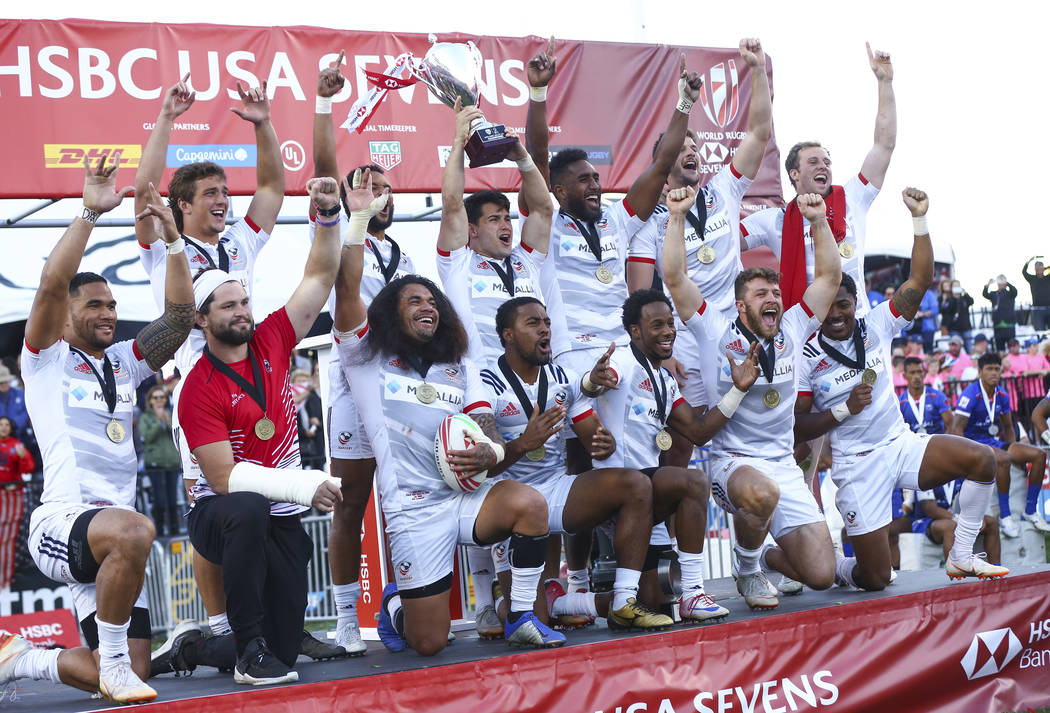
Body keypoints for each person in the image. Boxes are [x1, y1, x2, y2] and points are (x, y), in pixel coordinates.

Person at [333, 174, 565, 654]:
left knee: (531, 504)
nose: (428, 306)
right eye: (413, 300)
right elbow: (347, 288)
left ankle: (520, 611)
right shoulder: (365, 360)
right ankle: (397, 606)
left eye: (432, 300)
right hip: (413, 512)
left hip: (462, 501)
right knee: (430, 643)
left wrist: (491, 449)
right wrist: (356, 219)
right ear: (388, 314)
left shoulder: (457, 365)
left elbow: (485, 426)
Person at [2, 158, 194, 703]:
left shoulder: (126, 364)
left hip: (113, 545)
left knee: (139, 672)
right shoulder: (45, 360)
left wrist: (175, 242)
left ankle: (22, 659)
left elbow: (180, 320)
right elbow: (50, 283)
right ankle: (110, 662)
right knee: (135, 531)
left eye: (112, 304)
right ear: (64, 314)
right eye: (94, 304)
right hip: (63, 522)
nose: (108, 312)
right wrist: (89, 210)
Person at [133, 73, 305, 660]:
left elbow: (276, 189)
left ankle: (286, 618)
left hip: (254, 381)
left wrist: (263, 123)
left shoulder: (241, 243)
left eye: (222, 190)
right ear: (180, 204)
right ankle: (219, 623)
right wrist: (165, 119)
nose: (221, 199)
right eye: (208, 192)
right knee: (216, 503)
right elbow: (141, 194)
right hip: (197, 390)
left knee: (273, 506)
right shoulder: (162, 245)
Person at [174, 175, 349, 686]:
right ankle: (247, 650)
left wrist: (329, 217)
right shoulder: (197, 387)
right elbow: (226, 481)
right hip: (219, 515)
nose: (242, 312)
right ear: (202, 322)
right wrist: (301, 485)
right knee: (247, 507)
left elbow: (319, 276)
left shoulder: (272, 337)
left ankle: (196, 649)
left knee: (288, 647)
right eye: (228, 307)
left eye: (244, 302)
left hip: (280, 512)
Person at [794, 188, 1008, 589]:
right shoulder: (806, 356)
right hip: (857, 466)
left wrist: (920, 219)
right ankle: (838, 567)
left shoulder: (875, 325)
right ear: (817, 306)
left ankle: (962, 555)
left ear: (856, 305)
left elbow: (920, 279)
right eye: (829, 306)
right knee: (874, 578)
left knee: (982, 461)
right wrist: (842, 411)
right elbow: (798, 426)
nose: (837, 314)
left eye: (845, 305)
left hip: (899, 444)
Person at [660, 185, 840, 608]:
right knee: (761, 494)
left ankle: (769, 556)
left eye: (775, 294)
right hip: (734, 465)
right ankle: (746, 570)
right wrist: (677, 218)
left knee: (821, 575)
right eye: (761, 295)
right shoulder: (715, 331)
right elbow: (675, 278)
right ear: (741, 308)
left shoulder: (793, 326)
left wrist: (818, 222)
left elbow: (830, 278)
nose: (773, 299)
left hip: (782, 467)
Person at [481, 296, 696, 631]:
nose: (545, 330)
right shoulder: (485, 381)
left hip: (554, 491)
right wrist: (523, 443)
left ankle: (623, 600)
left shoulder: (560, 376)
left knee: (635, 482)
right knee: (528, 621)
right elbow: (485, 468)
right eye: (533, 323)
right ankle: (505, 596)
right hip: (506, 500)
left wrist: (601, 440)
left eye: (547, 322)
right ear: (508, 335)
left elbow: (592, 436)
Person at [558, 288, 760, 624]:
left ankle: (567, 606)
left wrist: (738, 391)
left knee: (653, 601)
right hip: (613, 490)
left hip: (643, 501)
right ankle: (694, 592)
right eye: (656, 325)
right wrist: (592, 385)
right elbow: (591, 385)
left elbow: (698, 431)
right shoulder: (622, 360)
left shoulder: (664, 381)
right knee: (693, 480)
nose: (667, 331)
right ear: (635, 332)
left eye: (670, 323)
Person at [435, 93, 555, 635]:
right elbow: (452, 205)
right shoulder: (459, 263)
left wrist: (521, 156)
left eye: (508, 216)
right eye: (495, 218)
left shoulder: (528, 260)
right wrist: (460, 140)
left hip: (531, 387)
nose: (506, 224)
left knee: (536, 483)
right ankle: (488, 600)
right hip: (475, 390)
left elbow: (545, 208)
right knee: (484, 482)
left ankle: (548, 593)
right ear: (474, 229)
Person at [311, 54, 415, 656]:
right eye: (369, 185)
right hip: (352, 377)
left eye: (387, 186)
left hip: (401, 381)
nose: (380, 193)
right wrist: (324, 104)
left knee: (410, 489)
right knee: (350, 499)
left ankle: (404, 596)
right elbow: (328, 171)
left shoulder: (405, 250)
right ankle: (348, 619)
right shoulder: (335, 231)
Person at [626, 38, 772, 466]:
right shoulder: (648, 225)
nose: (691, 154)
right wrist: (661, 355)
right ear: (664, 162)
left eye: (695, 149)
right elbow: (638, 300)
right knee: (680, 444)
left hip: (738, 331)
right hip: (685, 343)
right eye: (680, 150)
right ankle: (672, 532)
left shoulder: (724, 190)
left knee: (759, 426)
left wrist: (757, 70)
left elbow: (759, 132)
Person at [741, 43, 895, 318]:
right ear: (794, 174)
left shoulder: (852, 199)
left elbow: (883, 146)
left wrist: (885, 83)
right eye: (813, 162)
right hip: (806, 335)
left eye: (826, 162)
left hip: (855, 326)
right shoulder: (774, 220)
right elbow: (723, 239)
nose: (823, 166)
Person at [951, 352, 1050, 537]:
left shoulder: (1002, 394)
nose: (994, 373)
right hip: (973, 446)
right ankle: (1005, 516)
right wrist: (965, 457)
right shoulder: (970, 393)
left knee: (1039, 455)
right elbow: (956, 428)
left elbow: (1008, 426)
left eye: (997, 369)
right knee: (1003, 459)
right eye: (989, 369)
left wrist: (1016, 451)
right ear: (979, 371)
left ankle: (1031, 512)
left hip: (993, 442)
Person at [911, 483, 1001, 568]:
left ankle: (997, 568)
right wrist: (961, 519)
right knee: (950, 526)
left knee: (990, 522)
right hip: (924, 521)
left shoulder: (957, 473)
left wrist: (977, 516)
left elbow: (972, 499)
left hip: (952, 517)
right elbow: (930, 510)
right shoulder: (927, 474)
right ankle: (956, 569)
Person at [139, 386, 182, 537]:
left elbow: (178, 434)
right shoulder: (145, 417)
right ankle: (160, 530)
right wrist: (158, 423)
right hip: (155, 465)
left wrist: (168, 421)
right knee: (159, 498)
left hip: (172, 463)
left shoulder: (172, 414)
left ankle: (175, 529)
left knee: (172, 498)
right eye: (155, 397)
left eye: (162, 397)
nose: (159, 400)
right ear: (150, 400)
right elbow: (146, 437)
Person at [0, 416, 32, 589]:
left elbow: (28, 468)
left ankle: (4, 583)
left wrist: (22, 457)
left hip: (10, 499)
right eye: (1, 425)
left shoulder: (17, 445)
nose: (4, 428)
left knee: (7, 542)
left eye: (7, 425)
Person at [983, 275, 1018, 352]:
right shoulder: (994, 294)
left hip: (1010, 326)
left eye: (1002, 281)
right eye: (999, 281)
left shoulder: (1010, 294)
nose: (1001, 283)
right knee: (1000, 348)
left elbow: (1015, 291)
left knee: (1012, 347)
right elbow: (985, 294)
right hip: (998, 326)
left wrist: (1007, 283)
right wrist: (988, 284)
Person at [940, 280, 975, 351]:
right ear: (952, 288)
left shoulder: (964, 298)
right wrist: (954, 298)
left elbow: (971, 302)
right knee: (956, 349)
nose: (957, 287)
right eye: (955, 286)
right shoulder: (949, 299)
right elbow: (946, 310)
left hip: (966, 328)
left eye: (958, 286)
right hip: (954, 329)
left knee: (969, 348)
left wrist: (965, 293)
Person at [0, 365, 30, 444]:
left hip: (20, 434)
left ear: (9, 381)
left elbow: (27, 411)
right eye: (1, 382)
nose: (3, 384)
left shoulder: (20, 393)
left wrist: (14, 423)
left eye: (5, 381)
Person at [1023, 256, 1050, 331]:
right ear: (1035, 269)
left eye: (1040, 267)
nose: (1039, 269)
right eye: (1037, 268)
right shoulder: (1032, 279)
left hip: (1049, 308)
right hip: (1038, 310)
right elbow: (1024, 272)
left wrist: (1046, 268)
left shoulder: (1048, 278)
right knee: (1040, 332)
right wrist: (1029, 261)